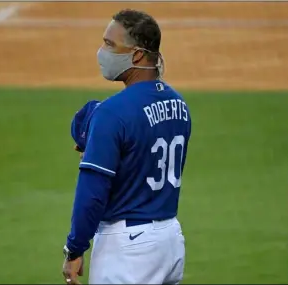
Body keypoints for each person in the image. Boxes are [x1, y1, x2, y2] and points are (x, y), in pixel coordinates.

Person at [62, 8, 192, 285]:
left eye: (110, 44)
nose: (102, 51)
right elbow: (140, 153)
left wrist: (74, 248)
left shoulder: (112, 114)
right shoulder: (179, 105)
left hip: (129, 250)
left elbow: (93, 193)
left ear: (136, 54)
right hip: (170, 240)